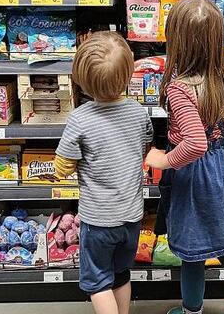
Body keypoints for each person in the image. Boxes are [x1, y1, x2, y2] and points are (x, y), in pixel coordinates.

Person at [145, 0, 224, 314]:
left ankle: (191, 310)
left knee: (193, 251)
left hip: (194, 176)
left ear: (177, 41)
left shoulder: (179, 89)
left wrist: (164, 160)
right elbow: (223, 122)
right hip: (222, 166)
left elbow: (195, 143)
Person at [55, 31, 153, 314]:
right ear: (128, 74)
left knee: (98, 282)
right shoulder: (138, 112)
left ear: (81, 79)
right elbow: (144, 146)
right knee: (121, 274)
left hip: (98, 221)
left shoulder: (80, 119)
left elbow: (62, 168)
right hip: (132, 218)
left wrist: (64, 166)